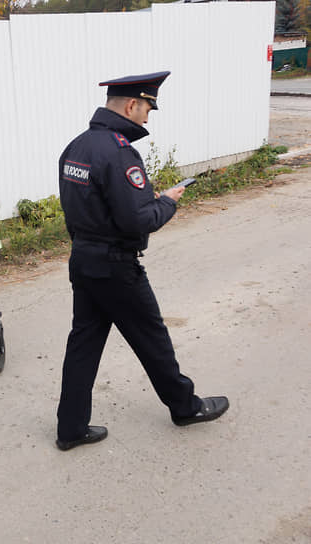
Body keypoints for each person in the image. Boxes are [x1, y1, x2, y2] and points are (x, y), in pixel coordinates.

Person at [55, 71, 229, 451]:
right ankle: (185, 408)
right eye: (148, 108)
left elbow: (78, 208)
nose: (148, 118)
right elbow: (137, 220)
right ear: (132, 104)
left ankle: (70, 428)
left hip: (83, 260)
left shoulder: (76, 147)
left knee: (83, 343)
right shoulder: (119, 152)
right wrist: (168, 201)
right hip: (116, 266)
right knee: (153, 339)